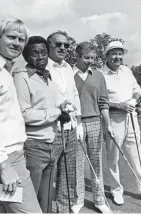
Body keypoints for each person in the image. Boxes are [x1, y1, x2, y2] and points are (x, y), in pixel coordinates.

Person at [0, 18, 42, 213]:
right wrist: (5, 166)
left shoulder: (3, 69)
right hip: (3, 158)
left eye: (21, 39)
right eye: (11, 37)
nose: (17, 43)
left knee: (4, 209)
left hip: (9, 154)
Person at [13, 36, 71, 213]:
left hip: (51, 144)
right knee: (29, 199)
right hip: (33, 146)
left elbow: (49, 105)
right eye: (35, 53)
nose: (41, 57)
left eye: (44, 53)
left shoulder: (48, 77)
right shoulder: (22, 78)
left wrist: (62, 108)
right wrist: (55, 113)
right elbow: (24, 114)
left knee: (46, 198)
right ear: (26, 57)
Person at [73, 41, 114, 213]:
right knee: (77, 164)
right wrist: (76, 122)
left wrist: (108, 124)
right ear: (77, 56)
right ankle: (78, 200)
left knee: (96, 162)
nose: (90, 61)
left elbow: (103, 102)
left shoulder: (98, 75)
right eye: (86, 58)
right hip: (75, 123)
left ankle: (99, 200)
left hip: (95, 121)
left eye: (93, 58)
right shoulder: (68, 74)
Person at [46, 31, 84, 213]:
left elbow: (74, 93)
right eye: (58, 44)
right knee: (48, 173)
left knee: (67, 173)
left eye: (66, 45)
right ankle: (43, 208)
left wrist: (78, 119)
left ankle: (64, 209)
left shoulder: (69, 67)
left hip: (70, 126)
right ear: (49, 46)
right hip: (52, 128)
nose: (62, 48)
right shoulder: (43, 66)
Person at [102, 41, 141, 205]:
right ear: (107, 56)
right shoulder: (100, 74)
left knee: (137, 155)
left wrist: (133, 100)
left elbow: (137, 89)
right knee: (113, 158)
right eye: (114, 53)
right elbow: (100, 101)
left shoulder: (126, 70)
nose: (117, 57)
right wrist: (119, 105)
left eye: (120, 54)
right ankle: (116, 190)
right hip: (113, 119)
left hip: (131, 119)